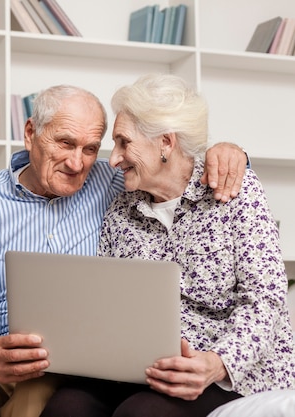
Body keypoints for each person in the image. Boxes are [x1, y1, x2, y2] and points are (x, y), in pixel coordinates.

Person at [0, 84, 249, 417]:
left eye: (90, 148)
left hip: (63, 358)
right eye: (65, 143)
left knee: (37, 401)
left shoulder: (112, 181)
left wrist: (226, 152)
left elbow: (171, 168)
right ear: (31, 133)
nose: (77, 163)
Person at [39, 74, 295, 417]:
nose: (113, 159)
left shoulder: (234, 190)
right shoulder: (122, 209)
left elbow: (266, 298)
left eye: (123, 142)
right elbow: (111, 306)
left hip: (229, 371)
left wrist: (217, 363)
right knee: (66, 406)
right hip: (143, 366)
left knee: (142, 414)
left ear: (166, 142)